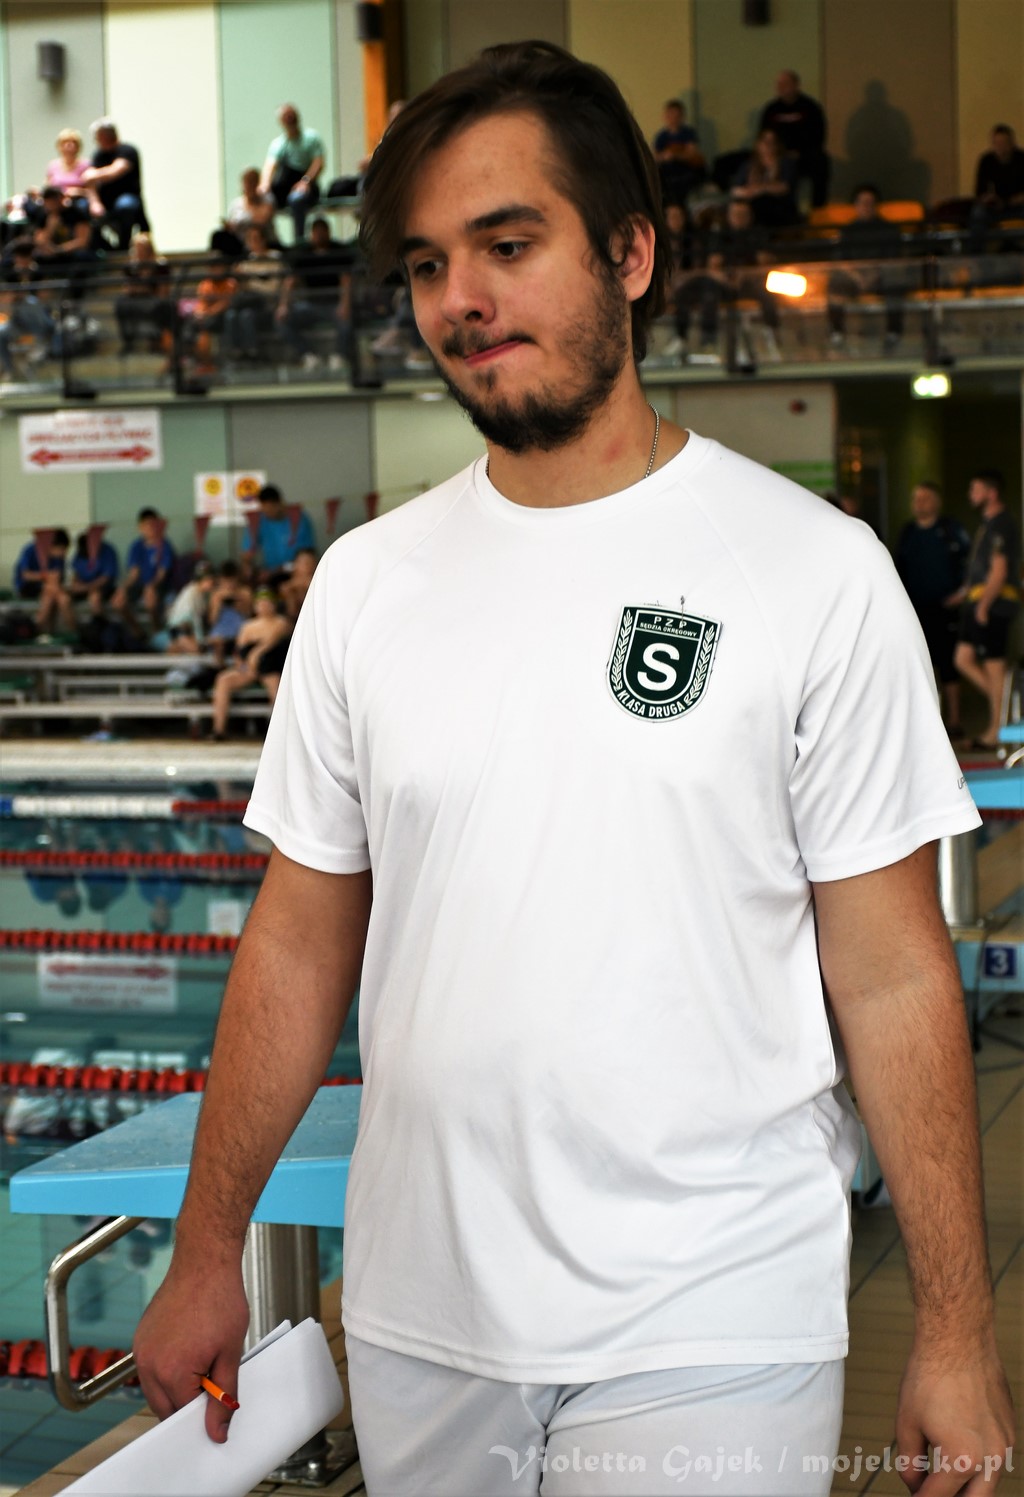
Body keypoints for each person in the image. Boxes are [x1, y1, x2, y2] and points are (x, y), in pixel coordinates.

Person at [134, 40, 1013, 1497]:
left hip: (714, 1309)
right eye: (428, 266)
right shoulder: (366, 584)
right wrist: (206, 1245)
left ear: (631, 253)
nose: (460, 300)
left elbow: (893, 972)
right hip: (422, 1316)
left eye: (508, 244)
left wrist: (959, 1329)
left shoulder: (811, 570)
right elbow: (297, 939)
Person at [952, 469, 1021, 751]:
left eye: (976, 489)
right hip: (979, 600)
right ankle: (1004, 714)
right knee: (962, 658)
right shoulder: (988, 523)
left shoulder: (1002, 524)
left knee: (994, 665)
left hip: (994, 603)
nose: (971, 494)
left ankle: (998, 728)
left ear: (991, 493)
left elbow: (999, 571)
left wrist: (983, 605)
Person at [894, 482, 970, 737]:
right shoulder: (908, 533)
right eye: (916, 498)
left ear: (936, 502)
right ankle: (929, 723)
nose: (919, 503)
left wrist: (962, 594)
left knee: (948, 664)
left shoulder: (950, 530)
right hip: (915, 610)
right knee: (921, 665)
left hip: (945, 608)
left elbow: (971, 564)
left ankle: (955, 721)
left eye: (925, 498)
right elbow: (899, 569)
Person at [827, 185, 906, 351]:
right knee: (835, 284)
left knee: (895, 283)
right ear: (855, 205)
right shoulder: (847, 231)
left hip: (881, 277)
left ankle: (893, 333)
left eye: (870, 203)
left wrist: (873, 275)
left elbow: (891, 260)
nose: (866, 207)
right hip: (854, 278)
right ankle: (837, 333)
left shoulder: (889, 230)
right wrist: (858, 277)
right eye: (862, 203)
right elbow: (841, 261)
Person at [208, 587, 292, 740]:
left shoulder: (281, 622)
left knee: (276, 688)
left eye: (267, 603)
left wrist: (257, 653)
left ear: (274, 605)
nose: (264, 606)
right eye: (261, 603)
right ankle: (218, 729)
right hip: (249, 669)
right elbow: (239, 651)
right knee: (223, 680)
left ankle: (279, 733)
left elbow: (271, 641)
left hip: (271, 667)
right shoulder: (248, 626)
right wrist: (242, 665)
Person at [277, 215, 356, 373]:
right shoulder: (304, 254)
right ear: (311, 234)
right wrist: (283, 305)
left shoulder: (338, 252)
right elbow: (290, 281)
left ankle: (339, 356)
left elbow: (346, 280)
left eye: (322, 231)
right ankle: (308, 354)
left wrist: (345, 304)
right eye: (316, 232)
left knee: (347, 322)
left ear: (328, 232)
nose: (319, 235)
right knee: (282, 321)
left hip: (334, 304)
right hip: (310, 305)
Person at [758, 70, 829, 209]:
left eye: (785, 84)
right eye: (779, 84)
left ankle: (818, 208)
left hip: (803, 156)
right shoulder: (771, 110)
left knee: (821, 162)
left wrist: (799, 153)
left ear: (796, 85)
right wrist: (776, 153)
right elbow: (762, 136)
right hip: (776, 155)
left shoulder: (810, 107)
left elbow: (818, 136)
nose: (781, 87)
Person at [257, 104, 325, 240]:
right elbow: (270, 166)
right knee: (265, 200)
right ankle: (269, 240)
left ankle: (299, 240)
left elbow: (318, 163)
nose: (289, 119)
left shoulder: (311, 138)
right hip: (285, 186)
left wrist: (305, 181)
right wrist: (264, 185)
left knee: (296, 199)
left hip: (308, 186)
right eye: (285, 116)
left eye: (291, 115)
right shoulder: (278, 144)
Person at [80, 118, 149, 251]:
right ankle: (106, 248)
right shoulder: (98, 155)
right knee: (83, 208)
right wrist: (95, 203)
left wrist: (94, 174)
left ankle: (124, 246)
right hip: (105, 202)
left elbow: (117, 170)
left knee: (125, 206)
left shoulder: (127, 150)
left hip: (128, 198)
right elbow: (90, 183)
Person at [223, 224, 285, 362]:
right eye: (250, 239)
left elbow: (272, 288)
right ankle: (235, 353)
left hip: (266, 306)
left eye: (256, 239)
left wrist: (250, 283)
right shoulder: (245, 264)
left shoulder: (274, 260)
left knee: (247, 315)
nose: (253, 243)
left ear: (264, 240)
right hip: (247, 303)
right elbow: (240, 290)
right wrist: (239, 280)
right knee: (231, 315)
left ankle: (253, 352)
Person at [0, 238, 56, 380]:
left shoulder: (38, 271)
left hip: (38, 319)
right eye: (19, 257)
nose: (21, 260)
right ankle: (9, 370)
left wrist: (24, 292)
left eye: (25, 257)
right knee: (1, 333)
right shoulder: (10, 273)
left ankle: (40, 352)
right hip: (17, 319)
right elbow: (6, 300)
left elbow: (44, 297)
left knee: (31, 302)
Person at [111, 507, 175, 628]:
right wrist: (123, 588)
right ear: (140, 527)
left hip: (160, 585)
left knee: (150, 599)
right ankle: (137, 631)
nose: (149, 528)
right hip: (140, 585)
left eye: (152, 525)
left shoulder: (164, 545)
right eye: (146, 525)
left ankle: (157, 630)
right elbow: (134, 574)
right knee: (118, 601)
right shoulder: (136, 546)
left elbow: (161, 575)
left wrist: (150, 586)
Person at [114, 232, 174, 356]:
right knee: (121, 303)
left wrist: (143, 286)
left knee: (160, 305)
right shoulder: (131, 267)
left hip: (155, 300)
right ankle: (128, 341)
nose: (139, 252)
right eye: (137, 248)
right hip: (136, 300)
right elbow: (128, 290)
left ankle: (156, 340)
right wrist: (143, 287)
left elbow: (162, 291)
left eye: (142, 248)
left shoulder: (160, 265)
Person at [969, 124, 1024, 253]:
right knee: (978, 213)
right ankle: (976, 253)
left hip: (1018, 205)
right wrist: (989, 199)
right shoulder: (986, 160)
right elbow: (980, 191)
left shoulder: (1022, 159)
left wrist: (1015, 200)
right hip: (995, 206)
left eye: (1004, 143)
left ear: (1012, 143)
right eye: (997, 143)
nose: (1001, 147)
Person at [242, 484, 315, 581]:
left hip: (296, 572)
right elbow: (247, 553)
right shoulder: (258, 521)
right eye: (265, 510)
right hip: (270, 575)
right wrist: (248, 567)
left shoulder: (299, 518)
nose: (268, 513)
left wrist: (284, 569)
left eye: (271, 508)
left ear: (280, 503)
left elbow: (309, 554)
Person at [730, 128, 798, 228]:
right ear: (758, 144)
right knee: (737, 206)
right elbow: (736, 188)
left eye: (772, 142)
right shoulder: (749, 165)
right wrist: (747, 192)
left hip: (778, 205)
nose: (768, 146)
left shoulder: (785, 163)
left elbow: (785, 187)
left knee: (759, 204)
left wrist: (761, 189)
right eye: (765, 141)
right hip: (751, 201)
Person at [13, 527, 75, 635]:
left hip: (50, 589)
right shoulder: (30, 550)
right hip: (28, 586)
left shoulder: (59, 559)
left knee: (53, 598)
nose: (63, 553)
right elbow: (25, 575)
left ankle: (41, 630)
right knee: (61, 598)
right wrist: (45, 576)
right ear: (51, 546)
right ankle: (73, 630)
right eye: (61, 549)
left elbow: (59, 578)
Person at [651, 100, 706, 207]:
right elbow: (656, 157)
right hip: (668, 172)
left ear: (682, 117)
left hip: (686, 170)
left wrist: (675, 155)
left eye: (676, 115)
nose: (673, 118)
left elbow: (692, 155)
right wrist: (664, 157)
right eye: (670, 115)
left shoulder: (688, 133)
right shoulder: (661, 136)